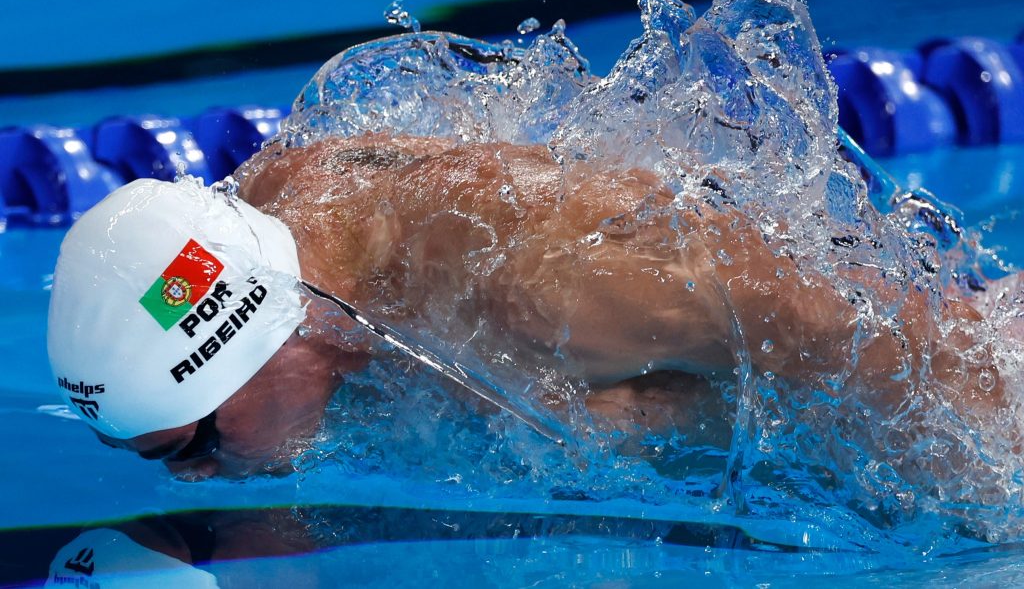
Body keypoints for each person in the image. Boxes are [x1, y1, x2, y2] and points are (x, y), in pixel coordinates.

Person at [46, 132, 1006, 480]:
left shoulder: (544, 274)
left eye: (193, 449)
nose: (197, 483)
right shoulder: (277, 243)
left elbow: (893, 341)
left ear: (263, 345)